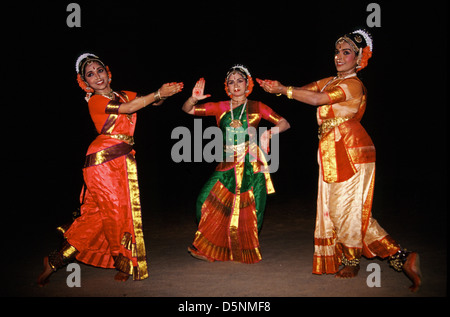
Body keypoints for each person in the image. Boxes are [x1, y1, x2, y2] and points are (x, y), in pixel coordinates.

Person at [257, 30, 421, 291]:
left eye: (347, 52)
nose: (339, 56)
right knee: (343, 210)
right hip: (332, 149)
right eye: (337, 51)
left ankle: (359, 259)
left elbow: (316, 99)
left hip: (351, 149)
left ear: (359, 59)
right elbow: (307, 89)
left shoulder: (353, 84)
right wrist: (278, 88)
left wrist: (284, 91)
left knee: (342, 210)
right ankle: (400, 257)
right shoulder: (332, 80)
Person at [37, 53, 183, 286]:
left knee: (96, 217)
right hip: (103, 161)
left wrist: (163, 95)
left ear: (108, 71)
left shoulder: (122, 93)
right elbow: (130, 108)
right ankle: (123, 261)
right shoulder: (96, 101)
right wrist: (156, 94)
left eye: (99, 70)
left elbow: (151, 102)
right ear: (84, 82)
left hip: (122, 159)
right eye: (90, 74)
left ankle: (54, 261)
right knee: (118, 212)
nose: (97, 76)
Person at [182, 65, 290, 264]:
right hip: (227, 163)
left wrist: (269, 133)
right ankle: (212, 245)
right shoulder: (220, 107)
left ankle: (243, 248)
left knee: (254, 208)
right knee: (203, 201)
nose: (236, 84)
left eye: (239, 80)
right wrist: (194, 98)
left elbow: (284, 123)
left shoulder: (258, 107)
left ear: (247, 84)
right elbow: (187, 110)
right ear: (227, 88)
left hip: (252, 163)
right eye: (231, 82)